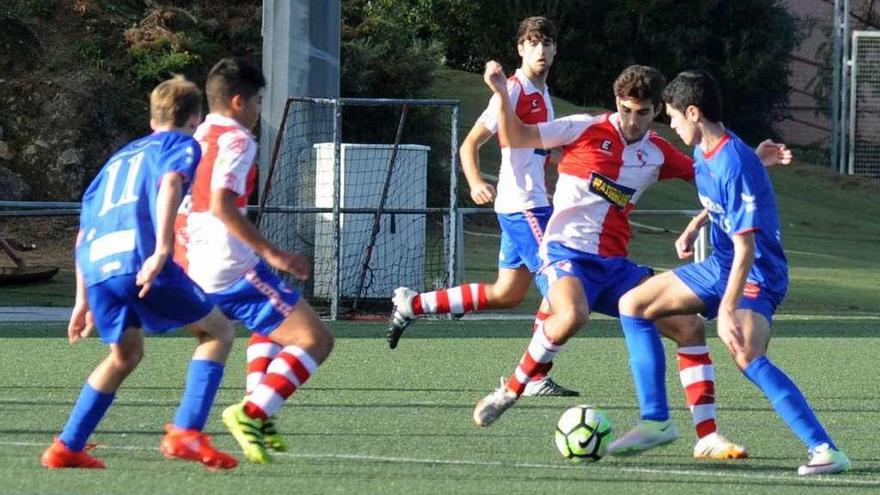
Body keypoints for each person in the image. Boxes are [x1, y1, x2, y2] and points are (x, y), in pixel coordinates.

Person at [471, 61, 791, 460]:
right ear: (616, 103)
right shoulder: (582, 127)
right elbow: (516, 135)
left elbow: (716, 170)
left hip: (615, 265)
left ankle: (707, 435)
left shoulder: (658, 152)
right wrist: (502, 92)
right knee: (571, 315)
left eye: (643, 113)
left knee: (689, 328)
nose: (633, 121)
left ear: (658, 110)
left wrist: (755, 160)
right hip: (566, 252)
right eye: (626, 110)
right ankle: (511, 390)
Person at [615, 70, 851, 475]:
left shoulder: (733, 161)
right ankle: (656, 420)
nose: (670, 125)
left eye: (672, 116)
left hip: (756, 272)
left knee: (744, 351)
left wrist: (726, 308)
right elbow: (726, 195)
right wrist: (697, 222)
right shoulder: (709, 152)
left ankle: (826, 450)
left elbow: (747, 245)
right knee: (633, 304)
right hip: (721, 265)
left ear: (693, 112)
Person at [41, 76, 238, 470]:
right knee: (217, 332)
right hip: (137, 258)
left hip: (97, 264)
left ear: (152, 119)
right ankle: (187, 431)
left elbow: (84, 228)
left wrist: (82, 299)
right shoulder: (181, 143)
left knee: (125, 354)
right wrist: (162, 250)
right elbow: (169, 182)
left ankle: (66, 446)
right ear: (196, 118)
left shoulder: (118, 157)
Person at [388, 16, 578, 397]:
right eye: (532, 43)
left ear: (555, 49)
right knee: (564, 294)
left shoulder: (542, 93)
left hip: (529, 205)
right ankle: (536, 375)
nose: (540, 50)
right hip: (525, 207)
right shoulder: (513, 90)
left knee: (506, 293)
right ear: (520, 49)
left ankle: (413, 304)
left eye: (547, 43)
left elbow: (544, 149)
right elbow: (469, 144)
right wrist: (475, 182)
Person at [178, 57, 334, 465]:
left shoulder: (194, 136)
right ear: (237, 102)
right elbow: (221, 204)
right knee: (316, 340)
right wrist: (274, 253)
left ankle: (241, 410)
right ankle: (254, 412)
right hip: (230, 263)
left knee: (267, 327)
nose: (259, 110)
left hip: (193, 264)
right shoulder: (238, 140)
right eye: (258, 101)